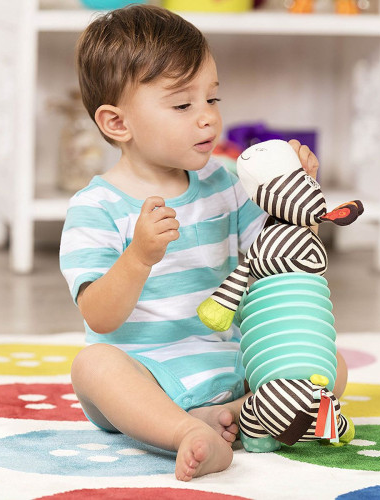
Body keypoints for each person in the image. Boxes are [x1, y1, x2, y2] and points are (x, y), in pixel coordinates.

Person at [60, 4, 348, 481]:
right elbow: (99, 316)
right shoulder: (96, 206)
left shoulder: (226, 182)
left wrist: (298, 200)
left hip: (231, 361)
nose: (208, 119)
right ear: (117, 123)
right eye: (182, 105)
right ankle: (185, 430)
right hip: (146, 376)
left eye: (212, 99)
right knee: (92, 365)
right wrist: (138, 258)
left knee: (327, 360)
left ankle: (240, 413)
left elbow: (285, 262)